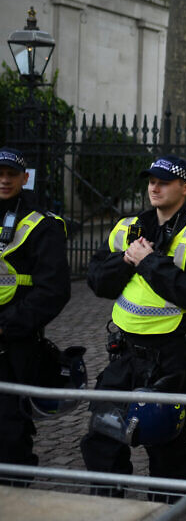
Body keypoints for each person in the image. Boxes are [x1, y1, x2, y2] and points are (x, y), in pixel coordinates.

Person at [81, 155, 186, 499]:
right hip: (124, 353)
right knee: (102, 441)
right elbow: (98, 280)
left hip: (172, 356)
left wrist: (148, 262)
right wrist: (127, 259)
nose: (154, 187)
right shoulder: (127, 227)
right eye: (151, 181)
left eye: (163, 182)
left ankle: (167, 511)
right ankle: (109, 510)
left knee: (167, 447)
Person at [0, 147, 71, 485]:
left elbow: (54, 290)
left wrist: (6, 326)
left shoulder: (42, 225)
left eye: (11, 174)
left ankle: (14, 496)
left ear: (25, 178)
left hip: (12, 344)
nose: (4, 180)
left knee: (8, 430)